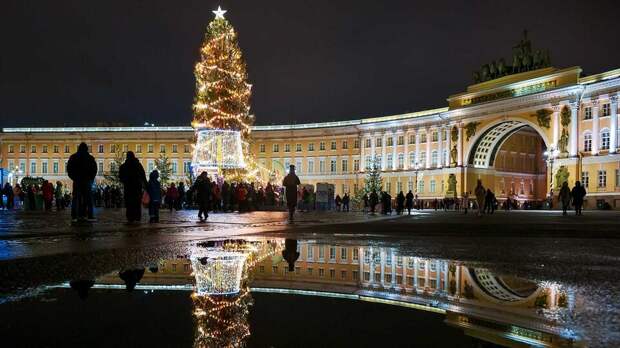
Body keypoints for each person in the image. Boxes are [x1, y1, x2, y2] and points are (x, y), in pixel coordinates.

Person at [67, 142, 97, 222]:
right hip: (87, 180)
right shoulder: (90, 158)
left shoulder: (73, 157)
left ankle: (74, 216)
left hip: (77, 180)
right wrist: (91, 178)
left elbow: (69, 169)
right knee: (88, 198)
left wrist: (74, 178)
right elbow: (94, 169)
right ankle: (89, 216)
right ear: (86, 149)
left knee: (76, 198)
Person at [119, 151, 147, 223]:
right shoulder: (138, 165)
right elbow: (143, 175)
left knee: (129, 203)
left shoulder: (124, 166)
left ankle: (130, 217)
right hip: (137, 186)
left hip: (128, 186)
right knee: (137, 202)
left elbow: (120, 176)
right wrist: (145, 185)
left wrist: (124, 181)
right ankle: (137, 217)